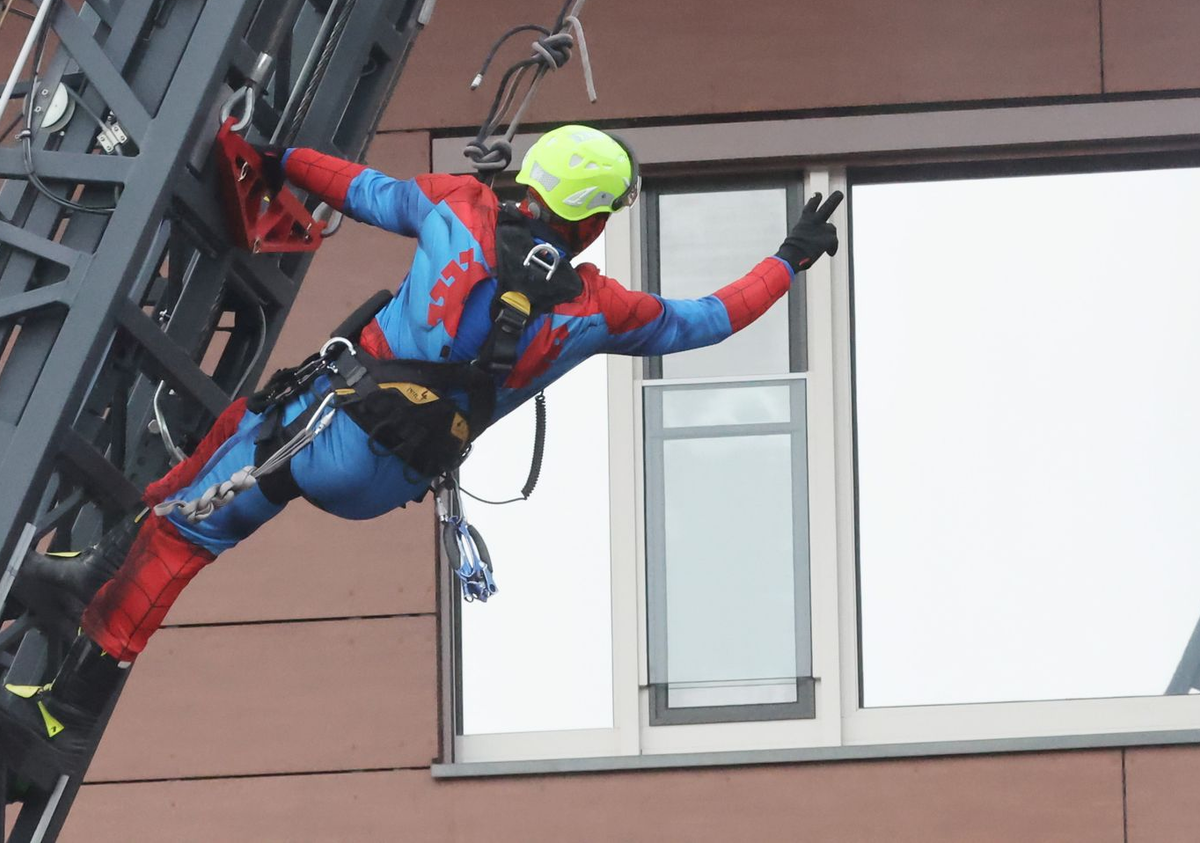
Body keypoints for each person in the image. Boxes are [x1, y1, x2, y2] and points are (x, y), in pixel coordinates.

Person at [6, 124, 841, 749]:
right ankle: (69, 681)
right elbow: (708, 320)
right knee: (238, 451)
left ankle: (77, 639)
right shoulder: (595, 306)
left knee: (194, 520)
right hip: (391, 476)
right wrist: (789, 256)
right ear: (590, 222)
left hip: (337, 425)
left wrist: (278, 154)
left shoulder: (460, 205)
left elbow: (358, 188)